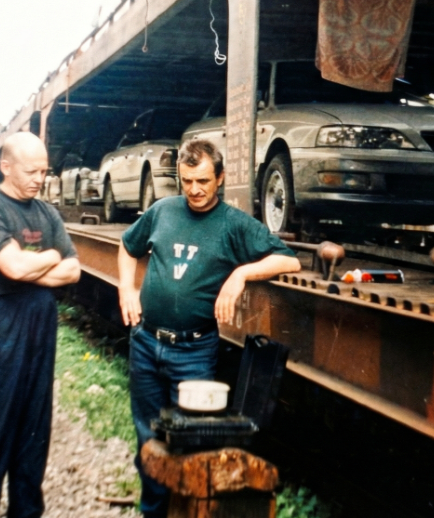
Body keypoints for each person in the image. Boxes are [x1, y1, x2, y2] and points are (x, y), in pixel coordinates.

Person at [117, 139, 301, 518]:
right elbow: (127, 246)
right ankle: (153, 512)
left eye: (202, 180)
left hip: (193, 352)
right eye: (186, 181)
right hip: (147, 343)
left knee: (192, 444)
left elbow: (289, 260)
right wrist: (127, 289)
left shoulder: (234, 225)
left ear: (220, 177)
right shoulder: (162, 210)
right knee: (148, 441)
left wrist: (241, 273)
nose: (195, 190)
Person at [0, 132, 81, 518]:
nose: (39, 179)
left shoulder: (47, 213)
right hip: (0, 326)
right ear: (6, 167)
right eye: (31, 171)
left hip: (40, 326)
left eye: (44, 171)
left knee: (34, 433)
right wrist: (48, 255)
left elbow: (74, 270)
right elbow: (11, 267)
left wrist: (29, 266)